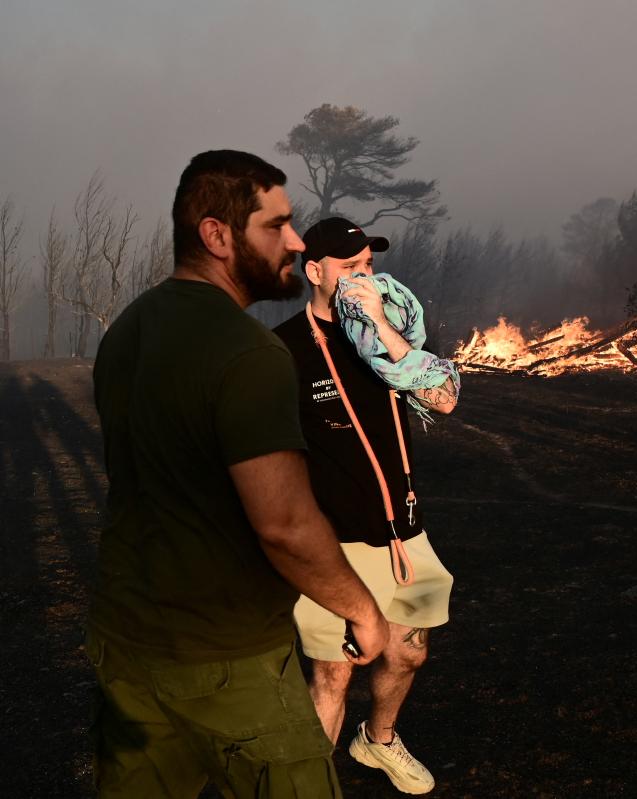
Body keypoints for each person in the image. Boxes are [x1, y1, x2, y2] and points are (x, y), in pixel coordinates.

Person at [88, 151, 390, 798]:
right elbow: (283, 522)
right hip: (228, 655)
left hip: (128, 641)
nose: (296, 241)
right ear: (217, 235)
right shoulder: (250, 351)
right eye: (275, 225)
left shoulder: (128, 332)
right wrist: (360, 608)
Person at [273, 217, 459, 795]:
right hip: (334, 546)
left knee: (408, 655)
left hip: (405, 533)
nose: (365, 277)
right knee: (333, 672)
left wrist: (379, 323)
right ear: (315, 272)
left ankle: (377, 741)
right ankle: (309, 788)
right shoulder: (283, 352)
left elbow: (444, 398)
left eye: (369, 267)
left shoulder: (389, 335)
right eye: (350, 268)